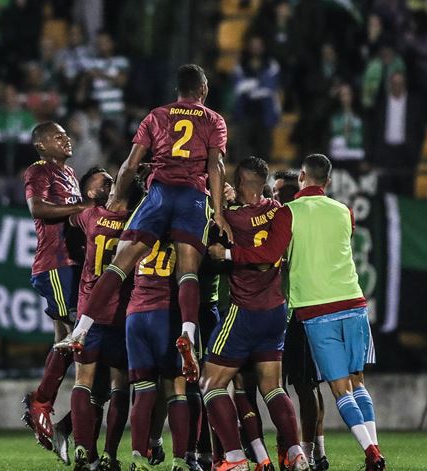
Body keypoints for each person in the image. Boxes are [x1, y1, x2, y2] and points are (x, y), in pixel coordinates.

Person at [58, 64, 231, 391]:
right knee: (189, 272)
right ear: (203, 90)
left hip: (159, 194)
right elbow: (216, 165)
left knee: (120, 262)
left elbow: (130, 164)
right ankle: (188, 336)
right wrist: (218, 211)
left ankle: (80, 330)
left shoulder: (156, 116)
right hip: (192, 197)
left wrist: (116, 195)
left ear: (177, 90)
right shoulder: (213, 120)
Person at [210, 154, 385, 471]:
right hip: (325, 307)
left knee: (221, 384)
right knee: (322, 385)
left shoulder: (281, 214)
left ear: (302, 178)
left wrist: (224, 242)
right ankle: (307, 452)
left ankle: (240, 457)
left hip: (300, 308)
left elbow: (265, 253)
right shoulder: (327, 212)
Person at [203, 158, 307, 471]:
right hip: (276, 311)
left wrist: (219, 211)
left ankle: (234, 458)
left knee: (211, 384)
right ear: (262, 181)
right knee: (272, 387)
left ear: (240, 181)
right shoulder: (279, 210)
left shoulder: (230, 218)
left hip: (244, 311)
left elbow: (209, 252)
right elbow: (274, 254)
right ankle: (296, 453)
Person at [22, 122, 95, 456]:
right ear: (40, 145)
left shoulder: (69, 173)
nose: (66, 139)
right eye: (57, 136)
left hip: (73, 265)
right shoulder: (39, 171)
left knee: (69, 337)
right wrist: (80, 209)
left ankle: (48, 409)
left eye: (67, 135)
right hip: (55, 264)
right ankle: (40, 402)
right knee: (80, 334)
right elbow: (37, 208)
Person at [68, 167, 133, 471]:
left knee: (85, 382)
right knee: (119, 385)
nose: (110, 182)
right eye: (103, 181)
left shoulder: (90, 216)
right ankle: (107, 454)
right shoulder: (137, 218)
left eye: (112, 179)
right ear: (93, 192)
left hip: (90, 313)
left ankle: (85, 450)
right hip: (120, 314)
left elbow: (70, 218)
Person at [271, 171, 330, 471]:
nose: (274, 196)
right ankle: (309, 451)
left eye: (278, 191)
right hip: (287, 311)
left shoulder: (290, 219)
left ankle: (307, 452)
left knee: (304, 386)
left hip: (297, 311)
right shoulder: (286, 219)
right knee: (293, 387)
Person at [125, 238, 199, 471]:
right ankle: (180, 459)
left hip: (135, 315)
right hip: (165, 314)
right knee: (176, 391)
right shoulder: (181, 237)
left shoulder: (141, 234)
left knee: (143, 391)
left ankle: (138, 456)